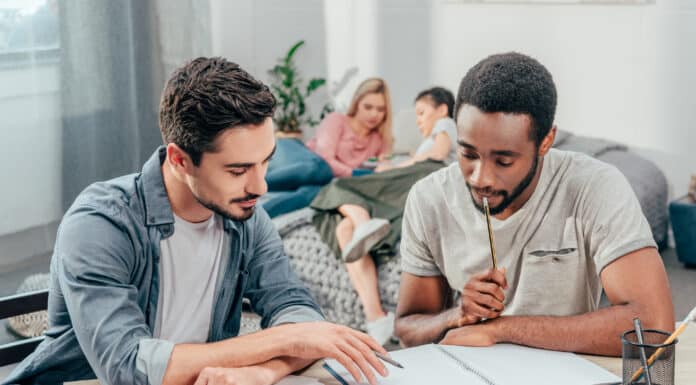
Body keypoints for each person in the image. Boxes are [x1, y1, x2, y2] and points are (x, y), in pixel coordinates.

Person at [2, 57, 391, 385]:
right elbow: (127, 366)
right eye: (238, 170)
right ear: (179, 159)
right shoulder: (101, 222)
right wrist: (281, 341)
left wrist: (263, 373)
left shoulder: (246, 217)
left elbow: (295, 309)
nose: (261, 185)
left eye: (266, 160)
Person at [393, 52, 675, 355]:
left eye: (503, 160)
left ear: (545, 142)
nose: (480, 178)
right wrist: (458, 313)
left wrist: (500, 330)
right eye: (468, 154)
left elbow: (652, 327)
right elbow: (409, 330)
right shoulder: (429, 198)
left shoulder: (595, 187)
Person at [310, 87, 458, 345]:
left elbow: (438, 155)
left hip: (424, 175)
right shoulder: (428, 137)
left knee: (335, 187)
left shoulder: (447, 124)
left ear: (442, 109)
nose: (419, 121)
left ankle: (364, 223)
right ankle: (376, 318)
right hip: (414, 183)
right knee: (344, 229)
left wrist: (402, 165)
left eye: (422, 113)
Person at [262, 78, 393, 218]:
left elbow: (382, 171)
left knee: (318, 192)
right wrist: (360, 174)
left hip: (322, 179)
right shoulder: (336, 120)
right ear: (357, 103)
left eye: (380, 109)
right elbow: (326, 159)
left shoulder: (380, 139)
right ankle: (255, 184)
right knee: (322, 169)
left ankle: (258, 217)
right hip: (296, 157)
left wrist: (384, 167)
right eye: (368, 107)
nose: (374, 114)